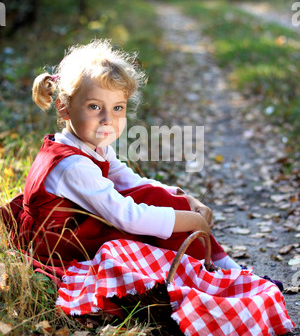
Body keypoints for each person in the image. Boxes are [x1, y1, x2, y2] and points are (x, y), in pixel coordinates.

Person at [1, 39, 239, 275]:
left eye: (117, 108)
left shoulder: (91, 146)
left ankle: (220, 266)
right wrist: (192, 221)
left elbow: (133, 182)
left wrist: (186, 200)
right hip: (59, 247)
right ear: (64, 107)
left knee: (154, 197)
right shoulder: (72, 165)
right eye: (94, 107)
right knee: (147, 228)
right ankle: (207, 271)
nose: (107, 119)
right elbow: (125, 216)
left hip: (77, 231)